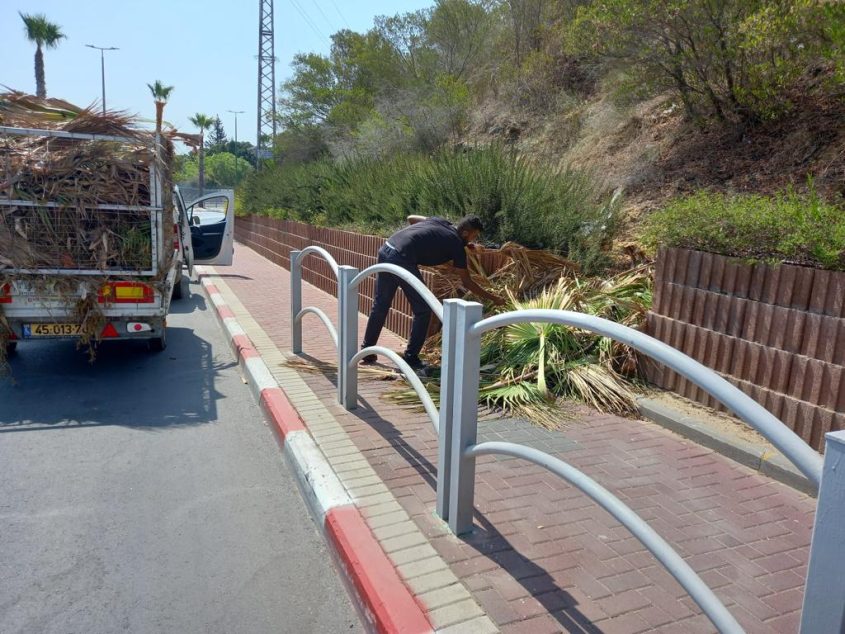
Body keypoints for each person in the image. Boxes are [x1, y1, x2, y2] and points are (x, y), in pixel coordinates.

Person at [361, 214, 504, 372]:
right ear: (465, 233)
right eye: (474, 236)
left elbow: (411, 218)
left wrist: (423, 239)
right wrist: (494, 298)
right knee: (423, 309)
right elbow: (467, 282)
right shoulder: (456, 245)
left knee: (381, 305)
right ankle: (411, 358)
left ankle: (367, 351)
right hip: (402, 258)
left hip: (387, 248)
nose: (474, 240)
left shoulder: (441, 222)